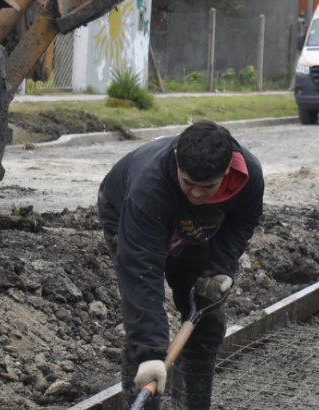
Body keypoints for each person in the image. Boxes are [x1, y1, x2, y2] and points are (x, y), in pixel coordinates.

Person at [97, 120, 265, 410]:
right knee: (144, 326)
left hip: (196, 228)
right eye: (189, 183)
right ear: (177, 160)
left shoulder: (248, 176)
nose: (197, 194)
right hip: (127, 210)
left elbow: (243, 221)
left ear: (225, 172)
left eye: (207, 187)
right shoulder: (147, 190)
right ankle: (140, 391)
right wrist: (150, 351)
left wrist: (219, 266)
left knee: (207, 321)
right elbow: (141, 271)